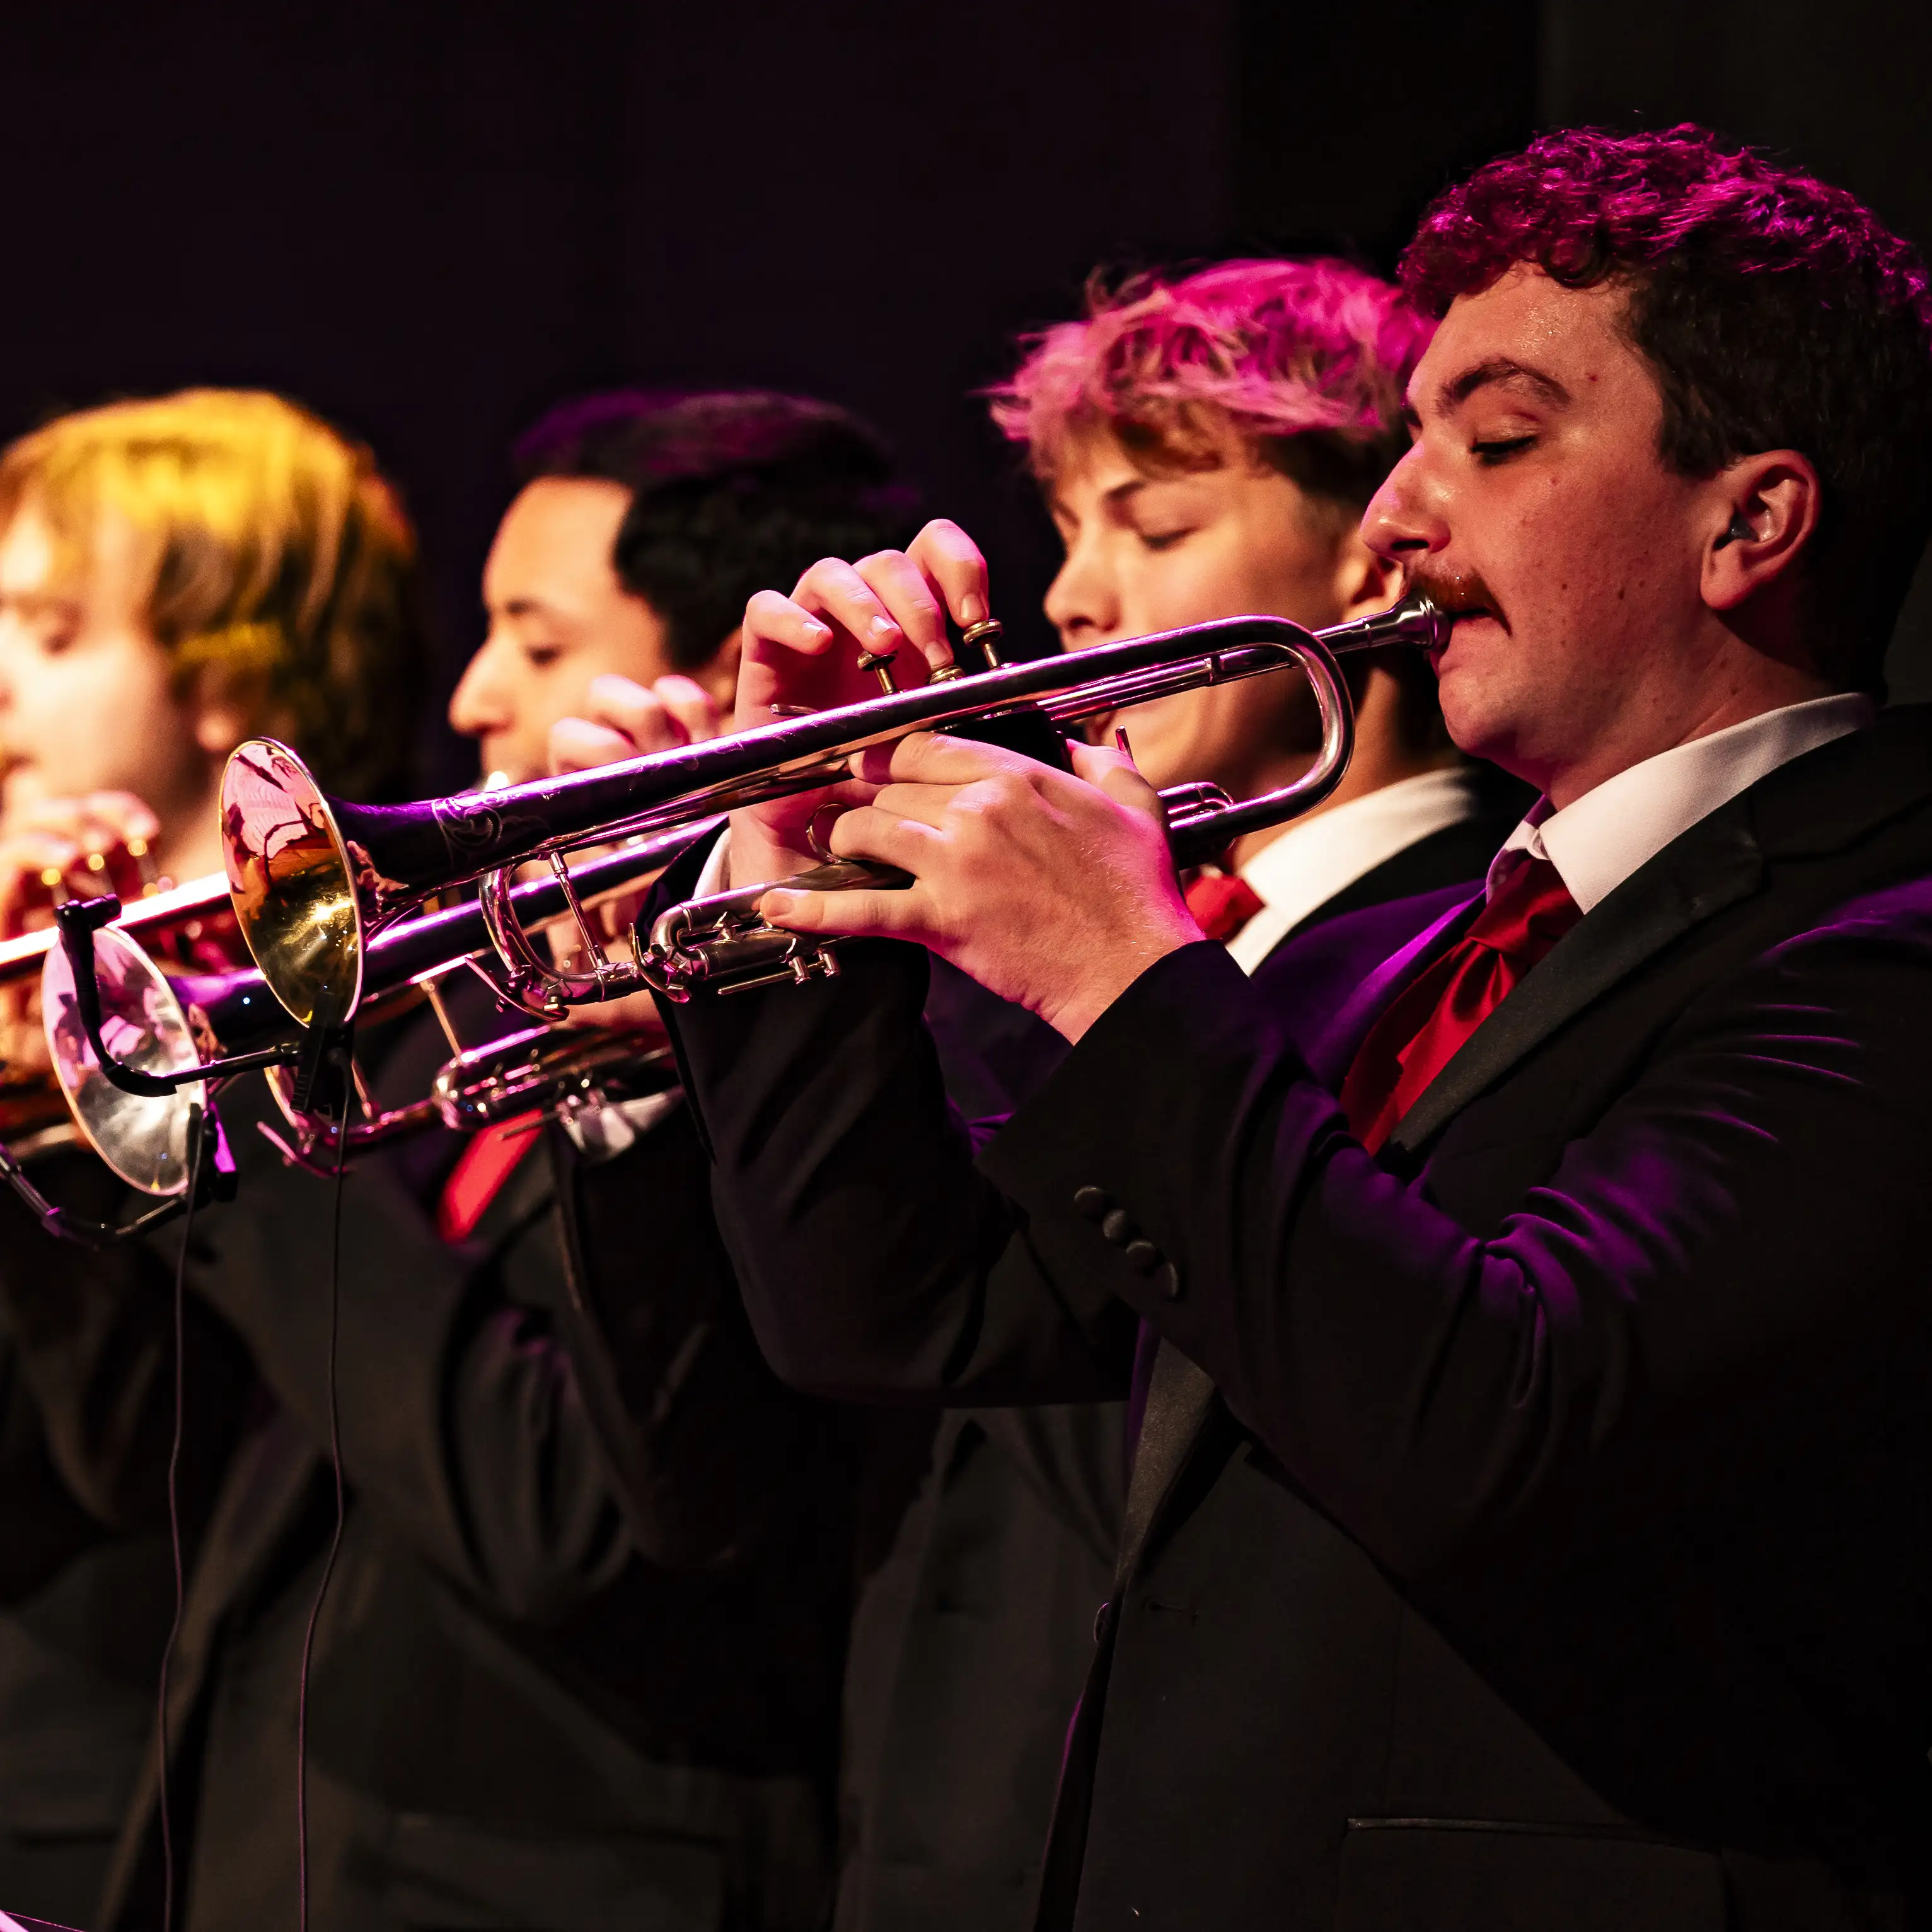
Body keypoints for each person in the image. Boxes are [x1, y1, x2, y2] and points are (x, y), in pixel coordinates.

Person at [647, 127, 1932, 1926]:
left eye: (1495, 442)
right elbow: (900, 1310)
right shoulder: (1405, 956)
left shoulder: (1881, 944)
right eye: (1407, 443)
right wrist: (789, 847)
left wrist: (1125, 977)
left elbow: (1500, 1418)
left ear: (1748, 524)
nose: (1396, 518)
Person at [87, 386, 922, 1932]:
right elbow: (137, 1440)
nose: (473, 695)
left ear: (716, 683)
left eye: (536, 645)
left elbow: (566, 1517)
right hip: (273, 1849)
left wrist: (225, 1117)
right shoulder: (454, 1000)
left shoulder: (815, 1040)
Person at [820, 259, 1527, 1931]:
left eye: (1153, 525)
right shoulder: (1132, 928)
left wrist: (1052, 968)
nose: (1074, 595)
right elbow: (863, 1316)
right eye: (1068, 530)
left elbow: (1131, 1404)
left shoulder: (1462, 954)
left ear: (1375, 550)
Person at [0, 388, 422, 1924]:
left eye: (52, 631)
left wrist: (56, 1095)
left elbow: (133, 1449)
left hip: (131, 1795)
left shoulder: (357, 1015)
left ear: (225, 674)